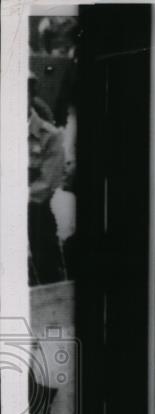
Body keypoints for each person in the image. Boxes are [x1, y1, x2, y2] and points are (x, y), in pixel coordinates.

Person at [29, 80, 67, 285]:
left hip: (36, 217)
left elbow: (46, 185)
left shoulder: (50, 136)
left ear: (30, 93)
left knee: (46, 278)